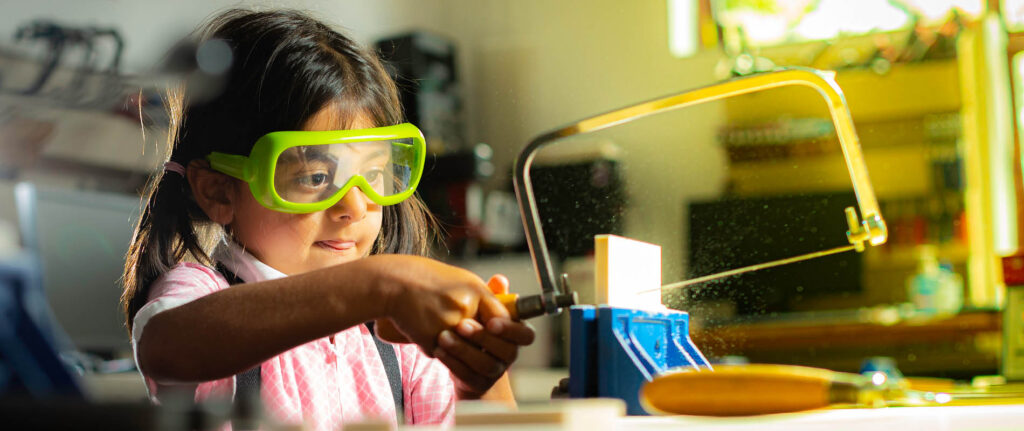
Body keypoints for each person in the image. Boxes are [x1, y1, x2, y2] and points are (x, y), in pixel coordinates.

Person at [120, 8, 534, 430]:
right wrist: (383, 282)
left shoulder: (399, 340)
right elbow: (166, 347)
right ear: (220, 191)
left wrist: (478, 375)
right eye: (316, 177)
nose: (354, 207)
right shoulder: (201, 294)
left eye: (373, 174)